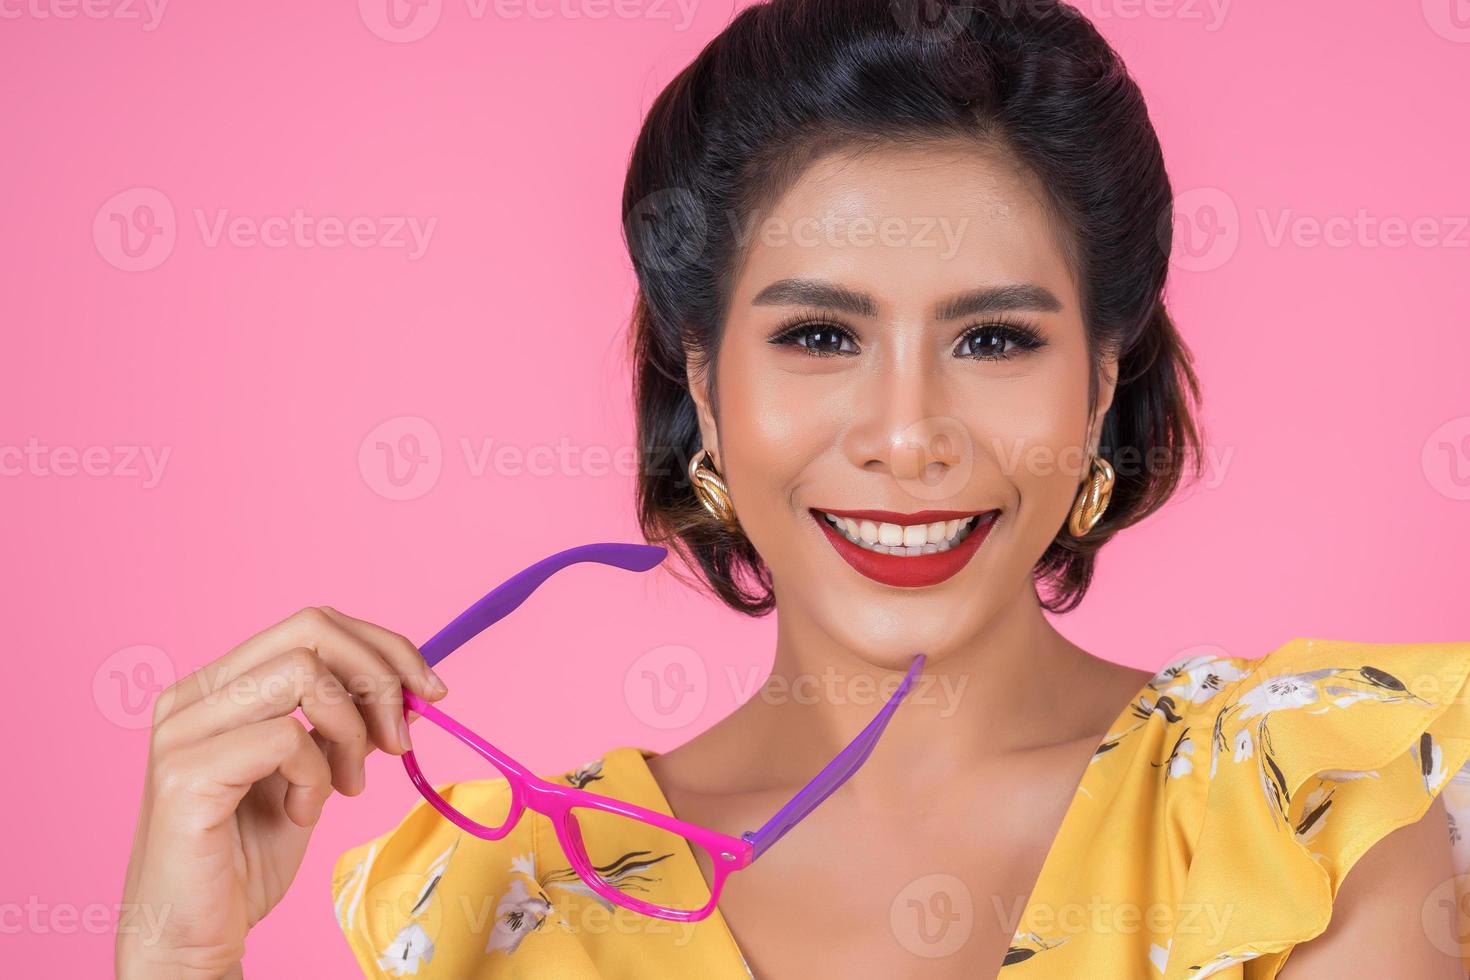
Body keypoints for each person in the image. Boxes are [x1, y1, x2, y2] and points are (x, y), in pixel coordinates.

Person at [117, 0, 1470, 976]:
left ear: (1100, 382)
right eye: (818, 337)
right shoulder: (496, 903)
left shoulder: (1299, 807)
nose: (903, 435)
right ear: (701, 381)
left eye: (992, 339)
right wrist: (180, 952)